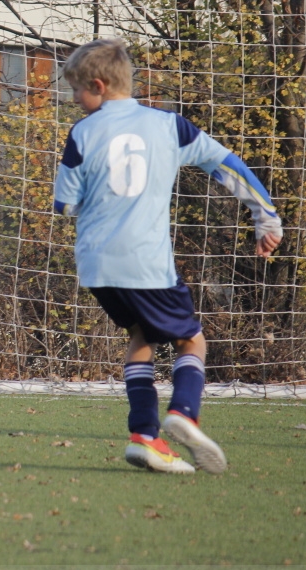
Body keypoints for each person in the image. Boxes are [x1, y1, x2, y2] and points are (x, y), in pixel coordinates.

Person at [53, 38, 283, 474]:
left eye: (77, 91)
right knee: (191, 339)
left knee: (140, 336)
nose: (74, 100)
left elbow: (65, 205)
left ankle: (144, 436)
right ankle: (183, 411)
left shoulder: (82, 132)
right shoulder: (168, 126)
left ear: (98, 85)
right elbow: (228, 166)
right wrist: (265, 218)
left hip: (97, 265)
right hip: (146, 261)